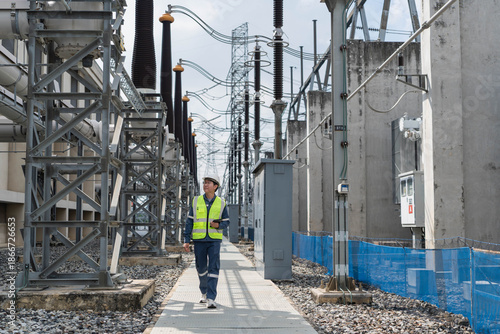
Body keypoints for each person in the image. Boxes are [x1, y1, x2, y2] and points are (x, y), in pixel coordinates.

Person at [183, 174, 229, 309]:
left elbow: (227, 222)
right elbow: (189, 221)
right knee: (201, 268)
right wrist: (186, 240)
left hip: (214, 240)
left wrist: (218, 226)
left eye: (208, 183)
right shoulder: (196, 201)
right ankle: (204, 291)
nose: (205, 185)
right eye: (204, 183)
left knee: (214, 268)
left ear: (215, 187)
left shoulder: (221, 202)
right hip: (199, 240)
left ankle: (211, 297)